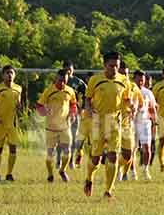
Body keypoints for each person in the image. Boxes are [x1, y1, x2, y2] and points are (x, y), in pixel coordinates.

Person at [83, 51, 132, 198]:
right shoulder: (95, 80)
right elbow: (87, 99)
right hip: (98, 122)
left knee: (113, 156)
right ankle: (89, 178)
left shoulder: (124, 81)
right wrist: (89, 109)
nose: (114, 69)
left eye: (116, 66)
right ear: (105, 65)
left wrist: (131, 106)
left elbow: (126, 99)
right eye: (111, 66)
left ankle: (108, 191)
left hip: (114, 123)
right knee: (96, 159)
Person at [37, 68, 78, 183]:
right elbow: (39, 105)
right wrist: (44, 112)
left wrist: (73, 114)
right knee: (50, 153)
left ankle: (62, 170)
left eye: (64, 81)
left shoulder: (70, 91)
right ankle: (50, 174)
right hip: (51, 127)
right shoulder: (49, 91)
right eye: (60, 80)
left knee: (67, 151)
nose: (62, 83)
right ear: (56, 79)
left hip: (65, 126)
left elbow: (73, 104)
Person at [0, 65, 23, 182]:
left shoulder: (18, 88)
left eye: (12, 73)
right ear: (3, 75)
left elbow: (18, 105)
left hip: (12, 124)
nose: (9, 75)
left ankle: (9, 174)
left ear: (15, 75)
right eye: (7, 73)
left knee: (13, 149)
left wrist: (19, 107)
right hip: (0, 124)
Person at [59, 61, 87, 169]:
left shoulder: (78, 82)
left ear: (73, 69)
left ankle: (70, 161)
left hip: (74, 113)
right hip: (61, 113)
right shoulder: (59, 81)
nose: (69, 71)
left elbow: (87, 94)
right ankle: (59, 160)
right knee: (61, 138)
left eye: (70, 68)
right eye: (66, 69)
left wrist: (83, 108)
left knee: (74, 138)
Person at [118, 61, 143, 181]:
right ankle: (117, 171)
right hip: (112, 122)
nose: (124, 76)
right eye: (122, 73)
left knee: (130, 152)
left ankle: (123, 171)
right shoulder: (115, 85)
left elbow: (140, 103)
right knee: (114, 151)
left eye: (126, 74)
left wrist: (135, 108)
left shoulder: (133, 87)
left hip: (128, 123)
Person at [134, 70, 157, 180]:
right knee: (132, 149)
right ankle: (131, 171)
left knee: (147, 147)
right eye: (138, 80)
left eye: (142, 80)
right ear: (134, 79)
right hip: (132, 123)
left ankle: (145, 169)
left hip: (145, 123)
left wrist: (154, 122)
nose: (140, 82)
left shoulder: (148, 93)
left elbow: (152, 108)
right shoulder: (130, 90)